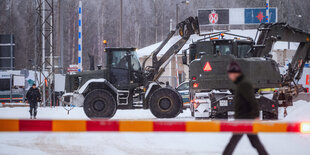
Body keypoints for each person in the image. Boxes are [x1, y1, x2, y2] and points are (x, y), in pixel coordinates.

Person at [223, 61, 268, 155]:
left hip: (244, 119)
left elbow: (252, 100)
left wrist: (256, 115)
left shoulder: (244, 84)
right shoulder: (241, 84)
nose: (229, 76)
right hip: (244, 118)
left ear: (235, 73)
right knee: (255, 143)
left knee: (232, 143)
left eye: (230, 74)